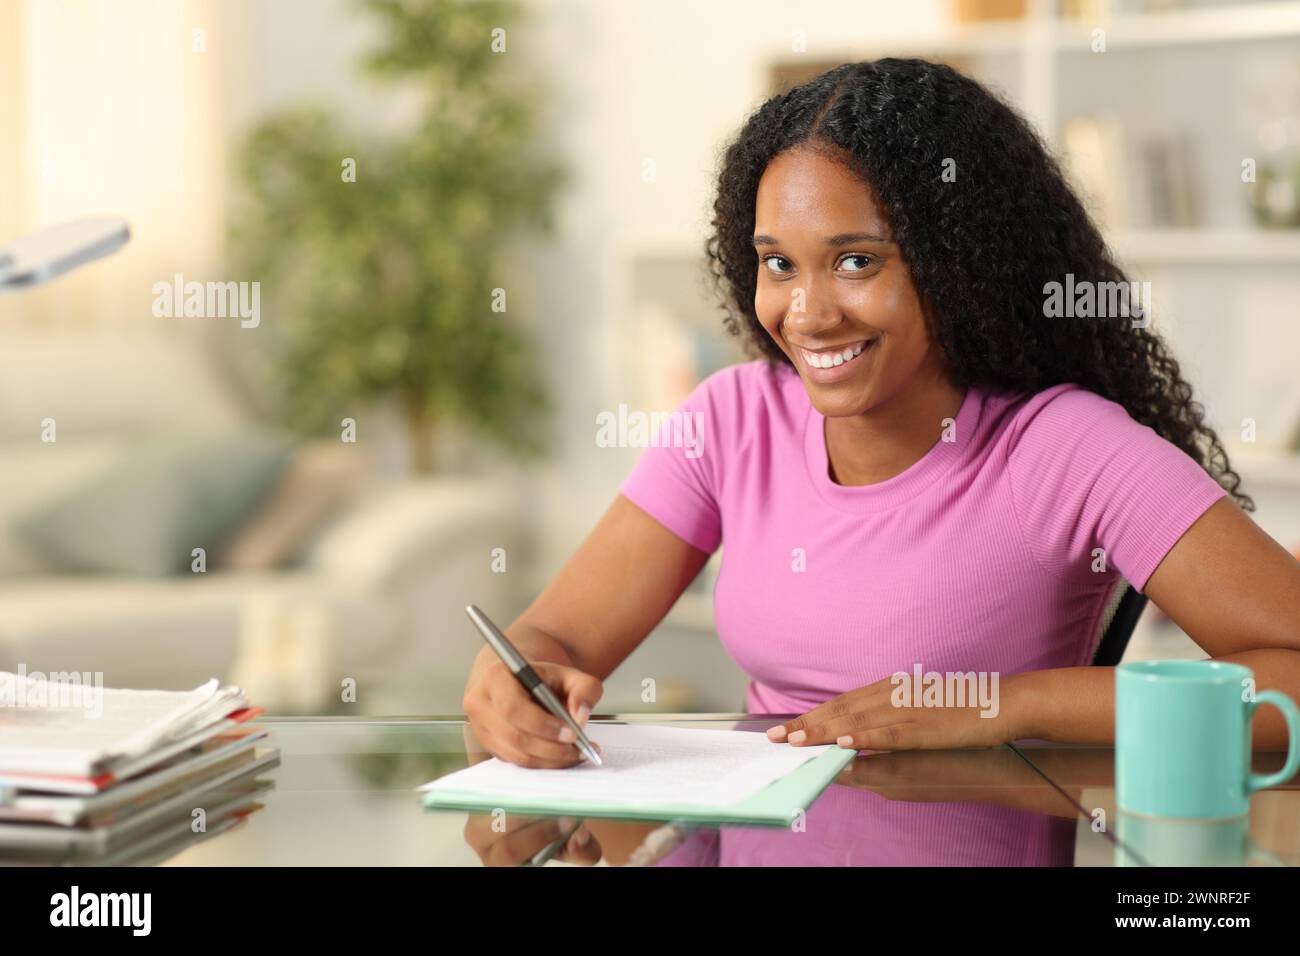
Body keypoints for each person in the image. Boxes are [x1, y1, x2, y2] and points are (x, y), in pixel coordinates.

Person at [462, 58, 1300, 772]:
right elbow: (558, 637)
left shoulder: (1064, 446)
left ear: (956, 264)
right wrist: (522, 681)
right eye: (779, 264)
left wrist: (1006, 705)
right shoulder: (730, 420)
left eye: (856, 261)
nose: (807, 312)